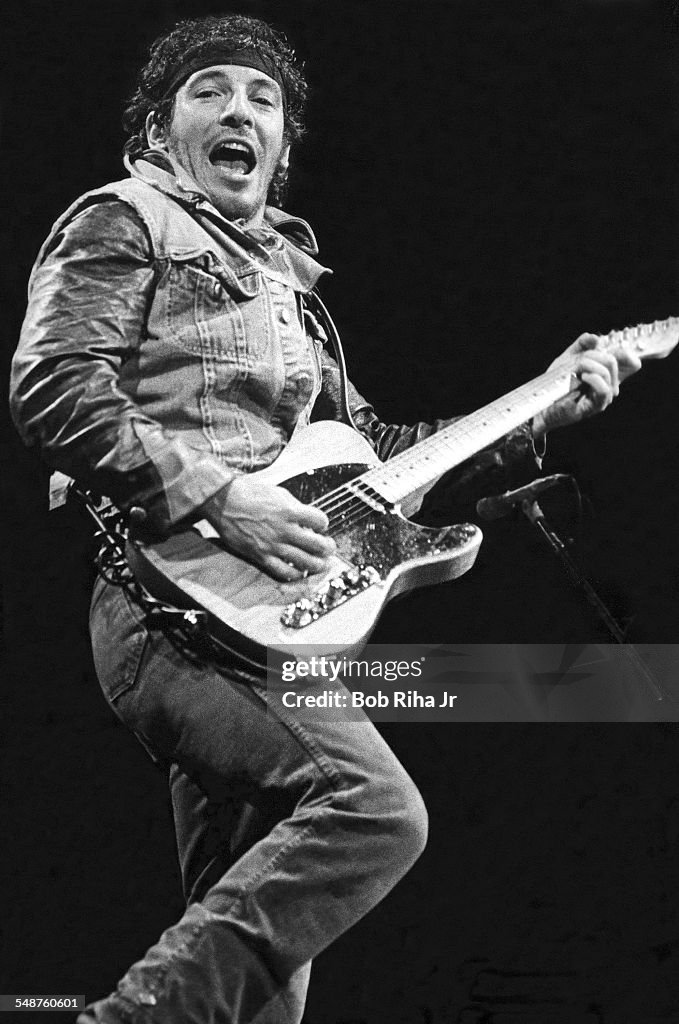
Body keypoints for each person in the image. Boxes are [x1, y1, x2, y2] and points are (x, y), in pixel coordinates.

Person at [9, 14, 640, 1024]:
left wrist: (543, 409)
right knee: (377, 811)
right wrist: (225, 497)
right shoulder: (124, 219)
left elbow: (381, 454)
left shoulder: (294, 301)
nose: (240, 111)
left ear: (283, 149)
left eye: (261, 99)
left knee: (263, 986)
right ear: (161, 125)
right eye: (209, 90)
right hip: (173, 607)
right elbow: (51, 387)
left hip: (274, 619)